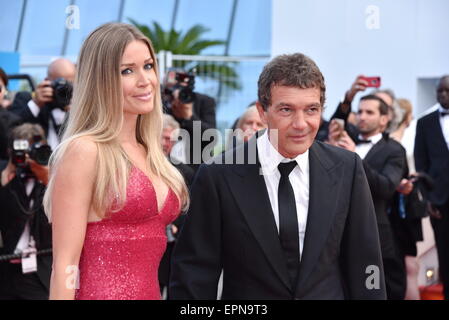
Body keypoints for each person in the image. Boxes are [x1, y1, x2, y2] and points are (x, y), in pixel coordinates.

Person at [169, 53, 386, 300]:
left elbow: (366, 262)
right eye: (286, 110)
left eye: (311, 110)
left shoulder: (347, 168)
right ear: (263, 112)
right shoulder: (219, 175)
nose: (301, 124)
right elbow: (194, 274)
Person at [42, 23, 189, 300]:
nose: (145, 80)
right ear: (101, 80)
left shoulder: (151, 152)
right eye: (127, 71)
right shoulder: (84, 151)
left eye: (148, 66)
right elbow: (64, 265)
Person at [329, 94, 408, 299]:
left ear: (384, 119)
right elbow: (335, 122)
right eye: (360, 111)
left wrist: (355, 158)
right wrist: (347, 99)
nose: (362, 116)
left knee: (381, 290)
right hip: (337, 231)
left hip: (377, 235)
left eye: (369, 112)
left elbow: (386, 187)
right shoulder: (343, 142)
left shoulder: (394, 150)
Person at [0, 123, 52, 300]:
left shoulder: (56, 180)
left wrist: (48, 181)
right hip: (7, 269)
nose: (29, 158)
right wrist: (6, 176)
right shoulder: (7, 177)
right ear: (11, 152)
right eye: (22, 152)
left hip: (41, 272)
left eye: (33, 151)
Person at [414, 75, 449, 299]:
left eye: (447, 91)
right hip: (440, 202)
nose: (443, 95)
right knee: (445, 256)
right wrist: (427, 200)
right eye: (439, 91)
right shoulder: (425, 123)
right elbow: (421, 165)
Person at [9, 58, 76, 150]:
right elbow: (10, 131)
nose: (64, 90)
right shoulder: (25, 99)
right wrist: (35, 104)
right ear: (47, 81)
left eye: (69, 85)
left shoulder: (80, 108)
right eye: (60, 85)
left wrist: (75, 112)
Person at [163, 68, 217, 170]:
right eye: (173, 87)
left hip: (198, 168)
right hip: (166, 166)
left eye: (181, 87)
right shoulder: (160, 103)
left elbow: (211, 136)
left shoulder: (204, 102)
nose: (177, 92)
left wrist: (189, 117)